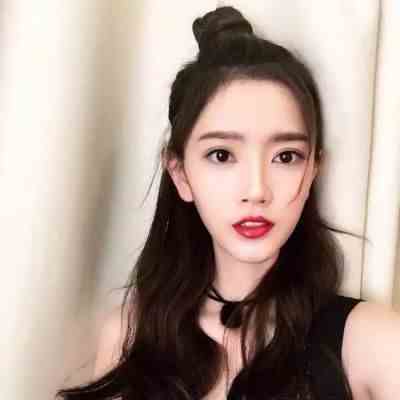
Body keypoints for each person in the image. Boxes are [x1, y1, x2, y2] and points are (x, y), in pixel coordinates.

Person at [56, 6, 400, 400]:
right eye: (222, 155)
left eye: (286, 156)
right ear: (181, 174)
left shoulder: (373, 343)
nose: (256, 189)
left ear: (313, 171)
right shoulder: (129, 337)